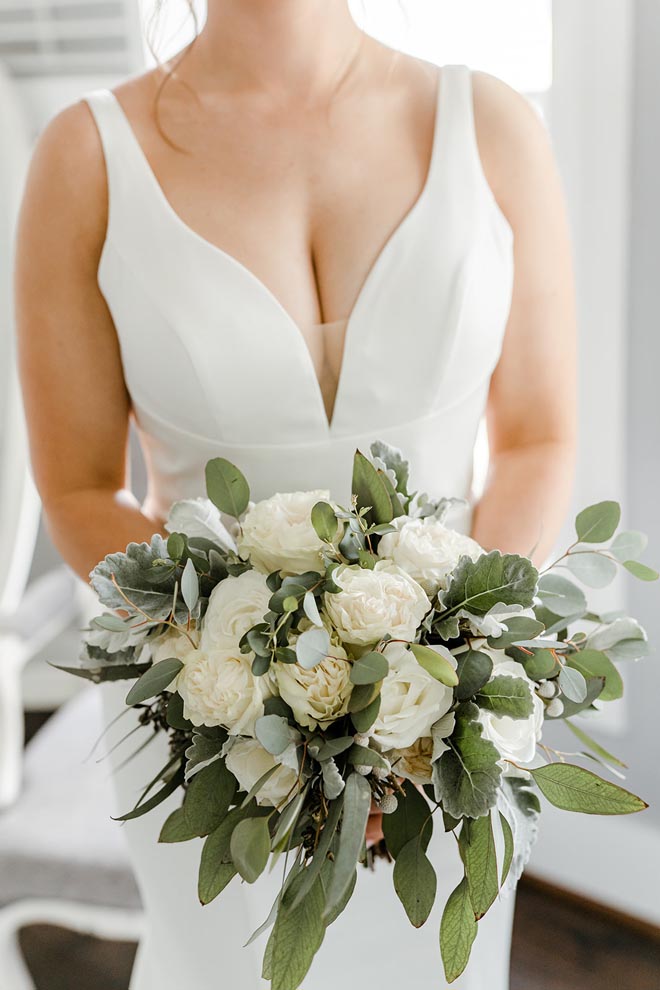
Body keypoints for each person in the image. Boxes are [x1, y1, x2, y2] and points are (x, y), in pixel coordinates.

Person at [14, 1, 577, 986]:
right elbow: (77, 487)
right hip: (211, 729)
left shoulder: (489, 128)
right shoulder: (87, 157)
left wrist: (454, 649)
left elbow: (537, 435)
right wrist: (248, 660)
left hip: (443, 728)